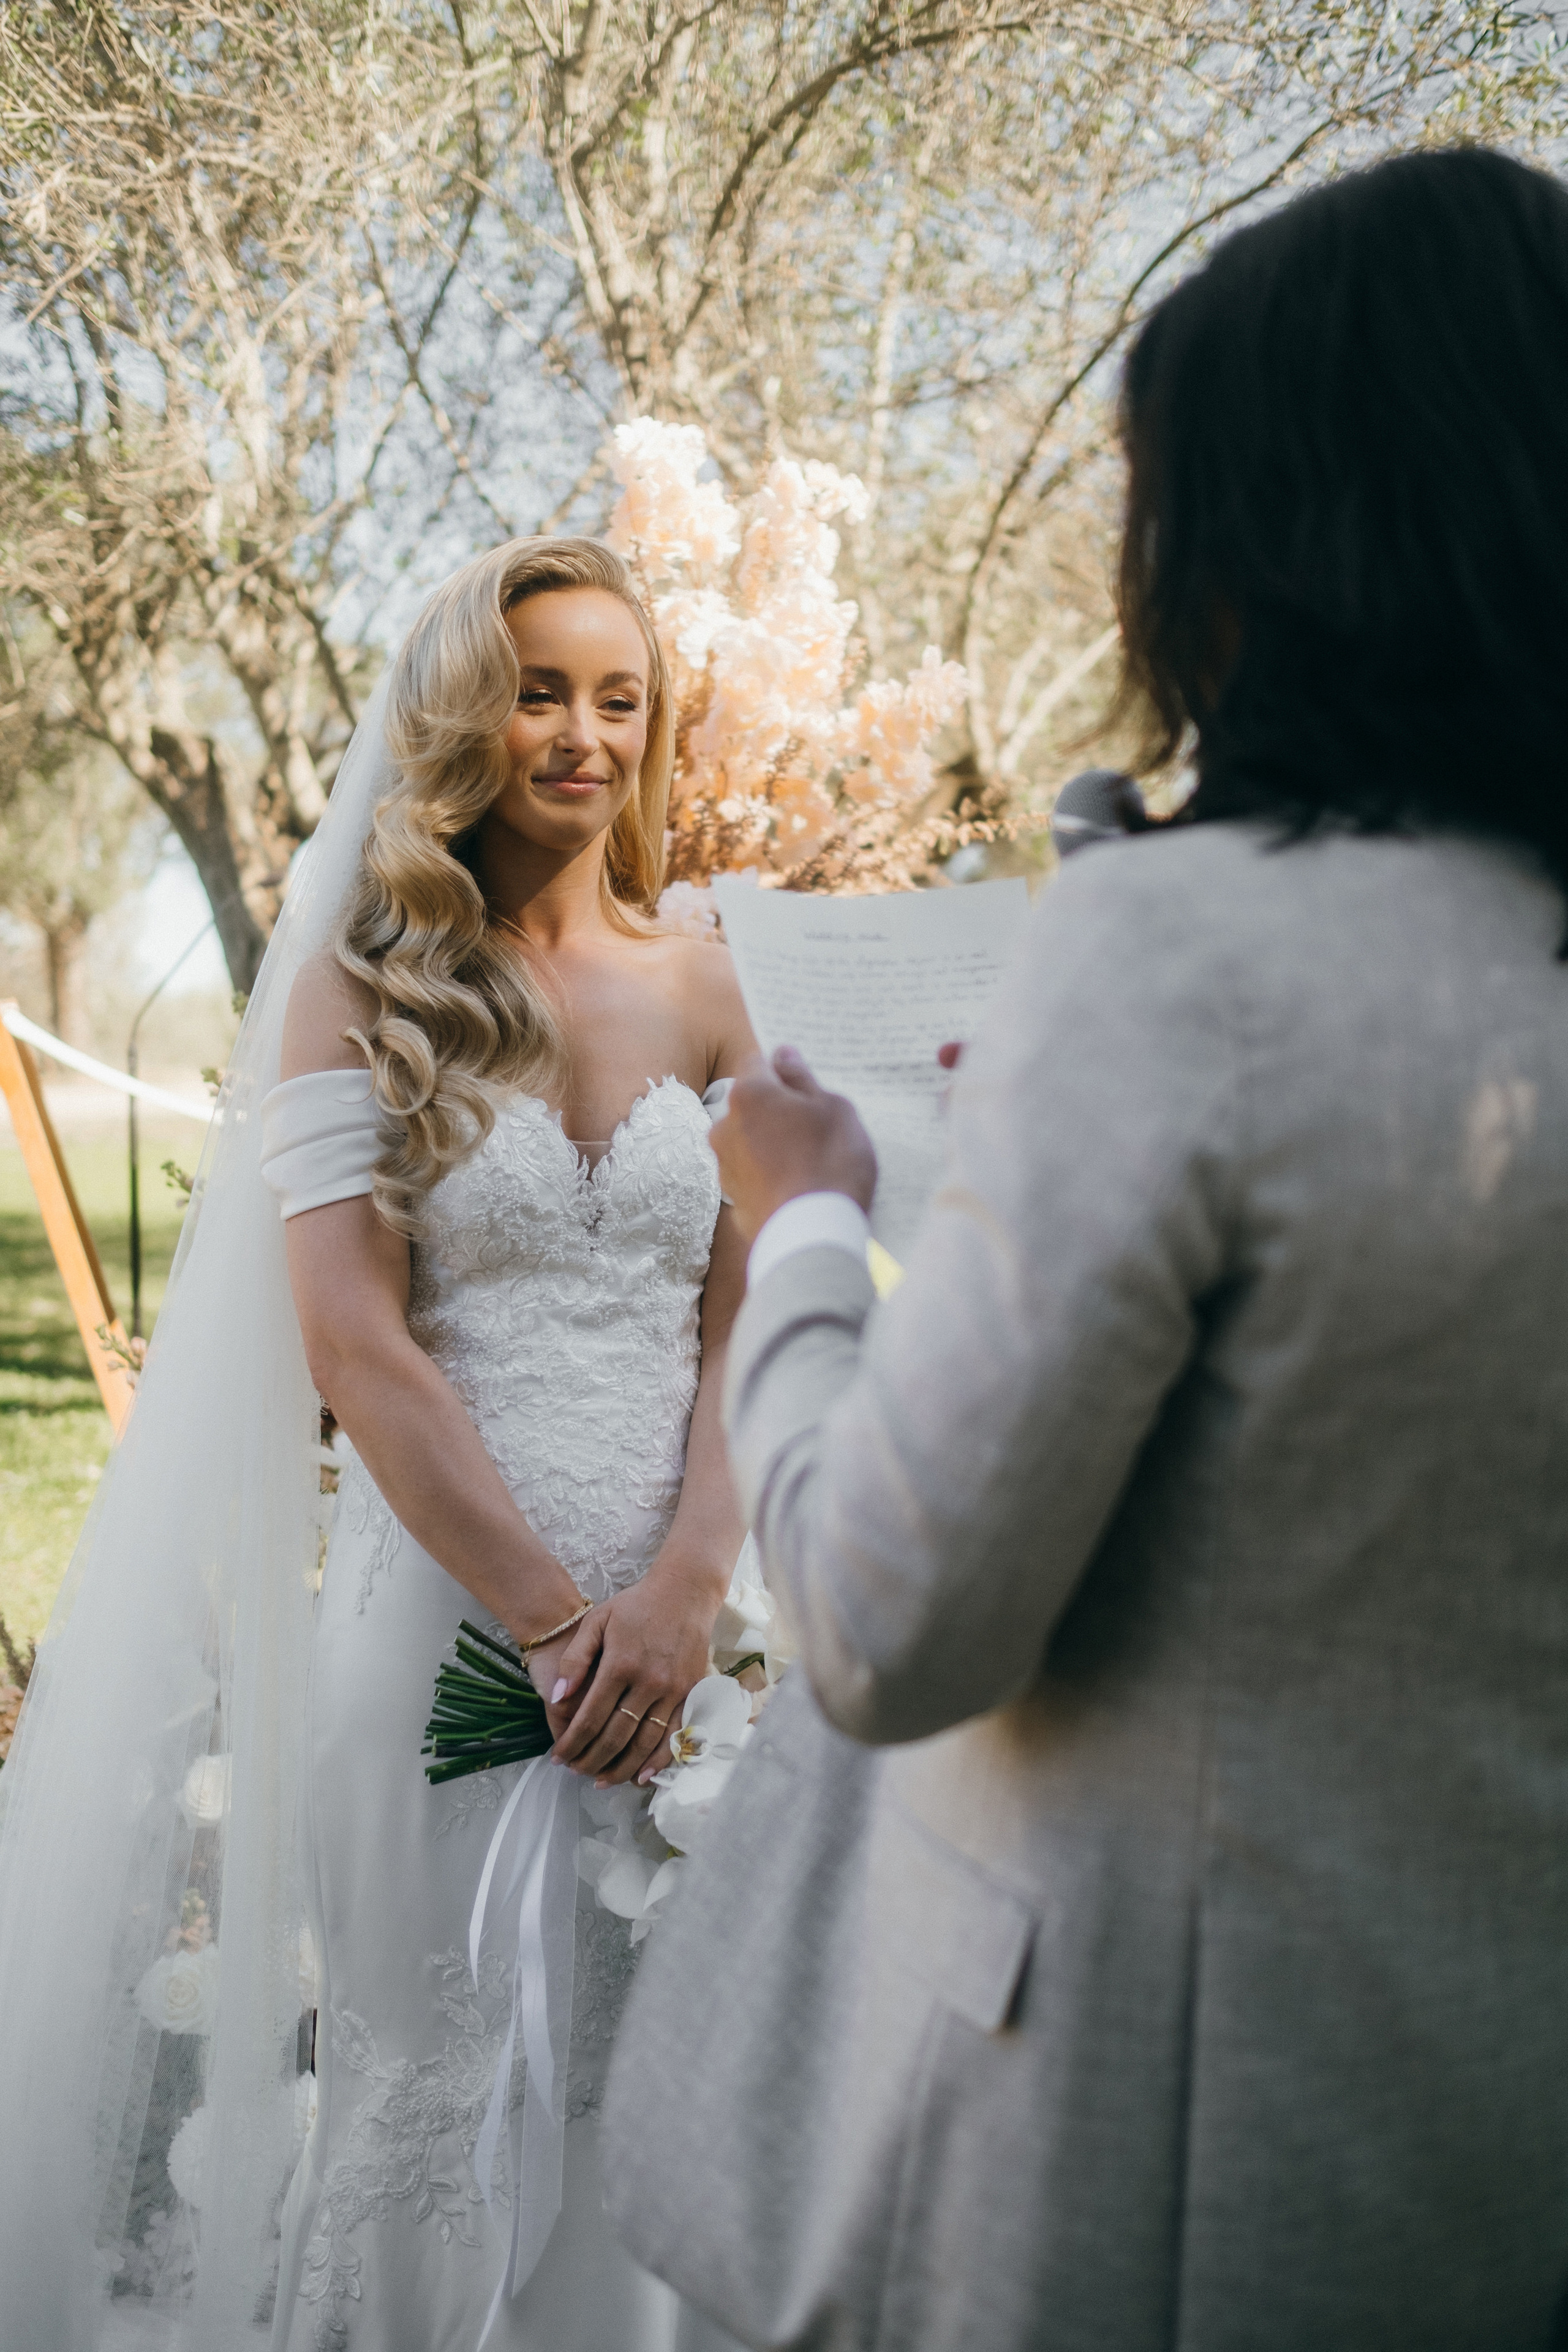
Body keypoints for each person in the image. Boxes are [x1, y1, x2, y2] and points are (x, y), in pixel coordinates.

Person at [635, 148, 1568, 2348]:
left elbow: (886, 1621)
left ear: (1276, 531)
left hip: (1154, 2157)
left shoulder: (1185, 953)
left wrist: (811, 1233)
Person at [0, 538, 753, 2351]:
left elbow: (748, 1318)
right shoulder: (362, 982)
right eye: (538, 689)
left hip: (691, 1645)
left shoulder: (719, 978)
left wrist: (683, 1594)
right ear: (463, 714)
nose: (580, 732)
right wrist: (563, 1623)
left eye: (617, 696)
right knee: (438, 2080)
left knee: (662, 2075)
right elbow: (356, 1336)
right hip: (452, 1649)